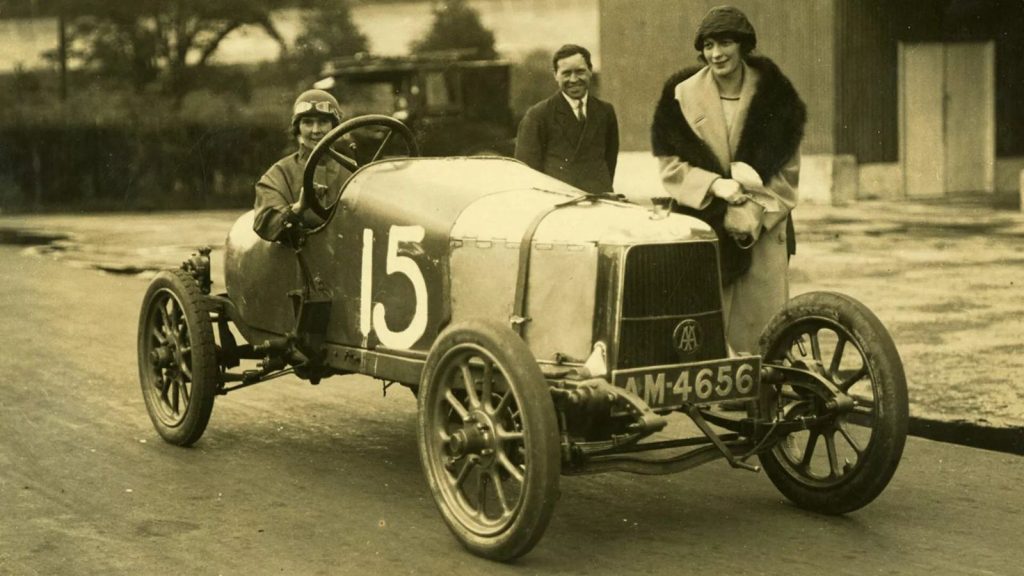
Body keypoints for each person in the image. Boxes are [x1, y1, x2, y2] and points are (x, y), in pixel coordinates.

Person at [650, 5, 806, 353]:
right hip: (705, 224)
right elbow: (670, 167)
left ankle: (763, 393)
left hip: (762, 232)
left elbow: (787, 173)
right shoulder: (681, 94)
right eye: (708, 46)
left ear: (743, 45)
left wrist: (754, 215)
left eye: (725, 43)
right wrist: (712, 185)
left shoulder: (777, 95)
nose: (716, 54)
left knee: (762, 328)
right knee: (707, 324)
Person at [515, 44, 619, 194]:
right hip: (559, 204)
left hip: (599, 201)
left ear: (590, 71)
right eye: (566, 73)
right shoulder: (538, 115)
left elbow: (609, 162)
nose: (574, 79)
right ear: (556, 75)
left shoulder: (605, 111)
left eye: (580, 72)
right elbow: (527, 173)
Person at [253, 89, 354, 243]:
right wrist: (298, 208)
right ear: (298, 128)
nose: (316, 130)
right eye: (307, 122)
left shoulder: (354, 171)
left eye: (323, 122)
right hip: (297, 260)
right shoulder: (278, 174)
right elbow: (266, 222)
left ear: (335, 126)